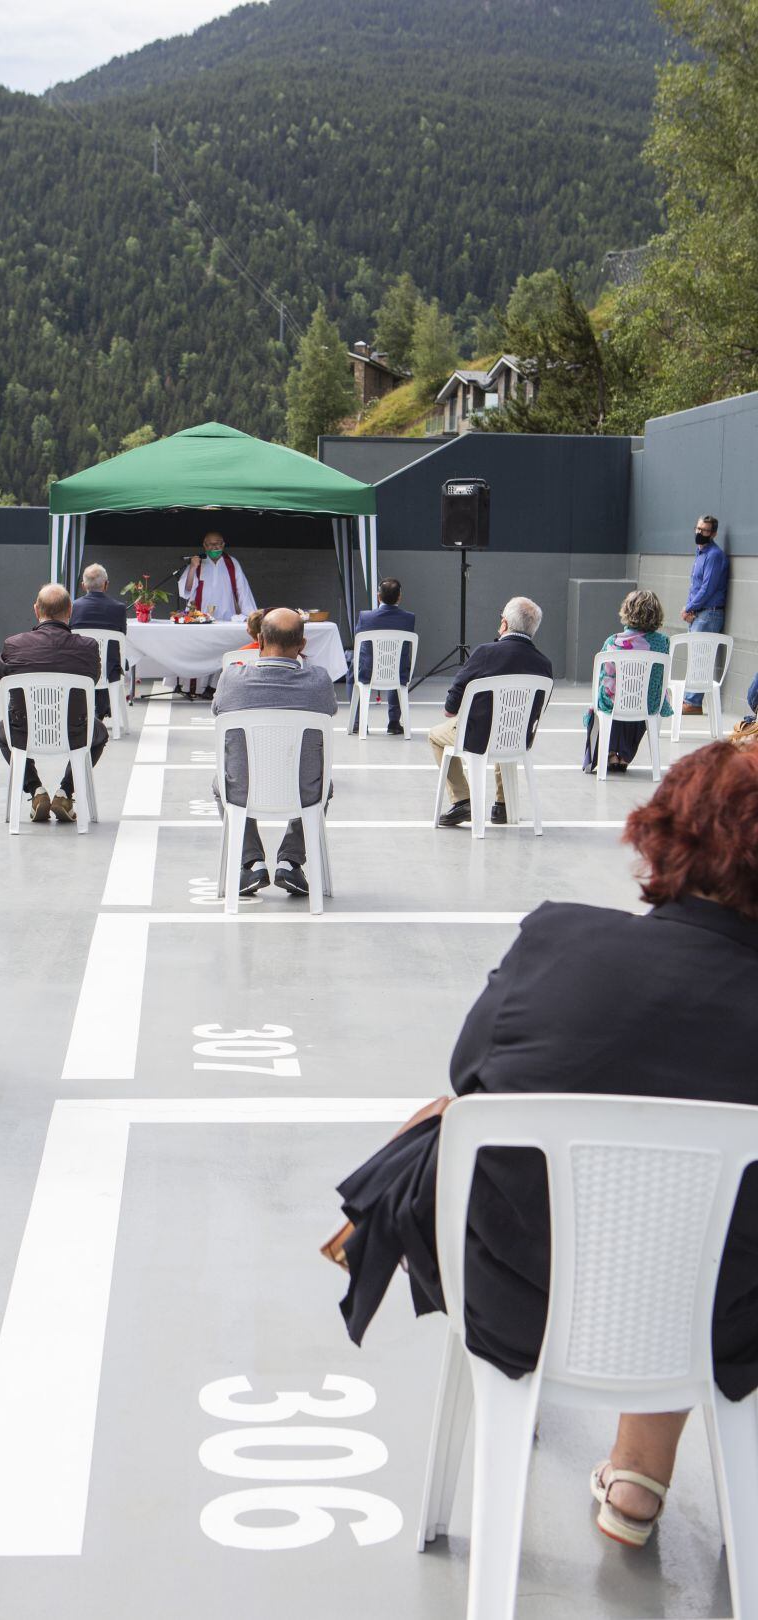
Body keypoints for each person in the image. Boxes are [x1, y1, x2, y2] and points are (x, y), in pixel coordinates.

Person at [326, 740, 758, 1549]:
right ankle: (636, 1478)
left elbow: (471, 1074)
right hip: (722, 1324)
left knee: (450, 1116)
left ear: (666, 832)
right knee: (693, 1227)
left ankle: (598, 1454)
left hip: (523, 1303)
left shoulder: (560, 941)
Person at [211, 606, 337, 898]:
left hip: (243, 791)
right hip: (302, 793)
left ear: (260, 641)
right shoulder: (319, 681)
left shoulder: (232, 679)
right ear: (302, 645)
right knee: (323, 787)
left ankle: (252, 861)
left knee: (222, 784)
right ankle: (290, 861)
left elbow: (217, 710)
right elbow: (329, 711)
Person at [429, 596, 553, 828]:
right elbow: (540, 708)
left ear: (504, 623)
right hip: (517, 739)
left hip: (478, 739)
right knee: (505, 728)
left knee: (436, 735)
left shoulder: (485, 653)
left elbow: (451, 707)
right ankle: (503, 805)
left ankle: (462, 800)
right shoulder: (544, 664)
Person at [0, 583, 109, 824]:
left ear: (37, 610)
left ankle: (36, 790)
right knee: (100, 733)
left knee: (1, 731)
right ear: (70, 611)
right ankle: (65, 792)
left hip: (24, 733)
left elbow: (1, 677)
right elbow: (94, 679)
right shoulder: (88, 647)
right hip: (75, 733)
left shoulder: (13, 645)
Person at [582, 589, 673, 774]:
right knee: (639, 699)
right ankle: (623, 755)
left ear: (627, 611)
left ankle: (610, 753)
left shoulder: (613, 642)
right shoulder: (663, 643)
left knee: (611, 698)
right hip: (647, 704)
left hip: (617, 703)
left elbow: (604, 679)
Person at [351, 578, 416, 736]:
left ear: (378, 597)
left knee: (351, 671)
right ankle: (394, 722)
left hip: (368, 672)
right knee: (396, 664)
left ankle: (359, 723)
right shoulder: (409, 618)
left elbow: (358, 639)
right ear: (399, 597)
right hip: (397, 674)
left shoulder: (365, 617)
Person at [681, 514, 728, 715]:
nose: (700, 533)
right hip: (699, 612)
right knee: (695, 657)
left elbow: (708, 588)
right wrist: (691, 608)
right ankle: (690, 700)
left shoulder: (714, 555)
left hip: (709, 614)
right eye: (698, 529)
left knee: (700, 658)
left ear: (714, 533)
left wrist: (688, 607)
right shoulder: (699, 553)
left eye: (705, 531)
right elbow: (696, 586)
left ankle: (693, 703)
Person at [70, 562, 128, 721]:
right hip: (109, 670)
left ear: (83, 585)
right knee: (110, 658)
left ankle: (91, 710)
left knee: (91, 658)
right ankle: (102, 708)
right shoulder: (119, 608)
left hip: (79, 666)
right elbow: (122, 637)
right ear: (106, 585)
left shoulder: (73, 607)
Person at [178, 533, 257, 623]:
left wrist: (251, 615)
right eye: (210, 544)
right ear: (205, 545)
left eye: (217, 544)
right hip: (199, 617)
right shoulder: (197, 562)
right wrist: (192, 568)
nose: (214, 547)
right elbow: (187, 590)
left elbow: (243, 591)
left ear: (223, 545)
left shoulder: (232, 563)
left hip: (227, 617)